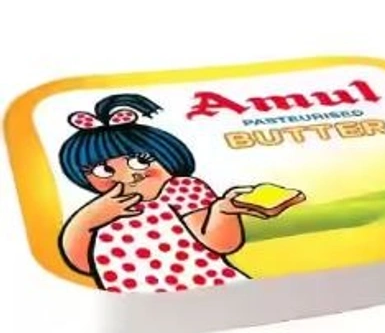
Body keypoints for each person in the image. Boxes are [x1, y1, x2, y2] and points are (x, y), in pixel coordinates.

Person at [58, 93, 271, 293]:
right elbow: (85, 263)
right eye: (104, 170)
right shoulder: (104, 208)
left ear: (166, 156)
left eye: (139, 161)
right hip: (135, 303)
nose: (128, 175)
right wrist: (88, 219)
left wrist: (222, 212)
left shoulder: (182, 189)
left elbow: (220, 244)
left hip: (210, 290)